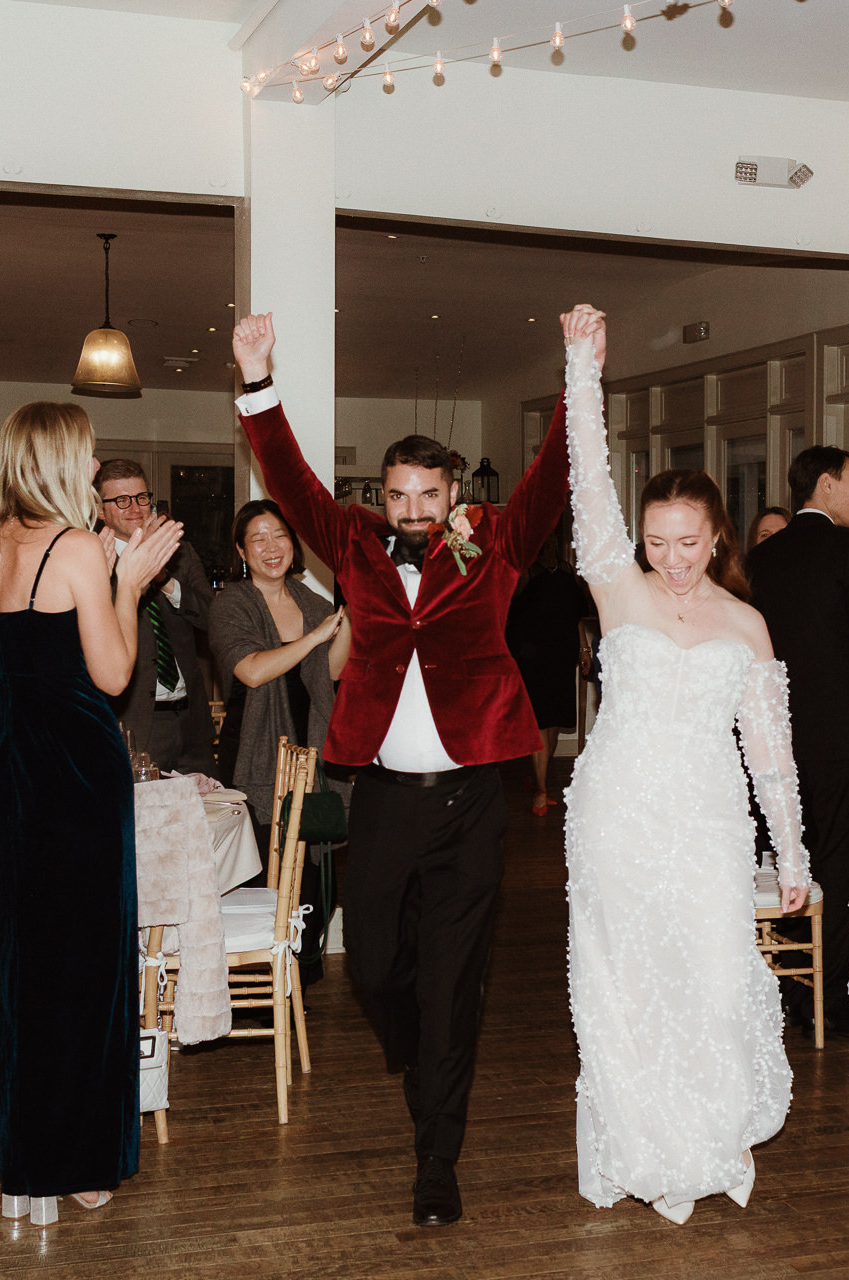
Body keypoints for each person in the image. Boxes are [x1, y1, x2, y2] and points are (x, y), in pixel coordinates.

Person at [231, 308, 570, 1228]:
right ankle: (422, 1056)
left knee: (454, 982)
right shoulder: (350, 541)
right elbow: (291, 480)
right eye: (398, 496)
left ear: (453, 493)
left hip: (470, 803)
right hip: (379, 796)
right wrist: (257, 379)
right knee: (376, 966)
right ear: (380, 497)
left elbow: (551, 479)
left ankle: (437, 1160)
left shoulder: (494, 542)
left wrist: (577, 375)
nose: (413, 511)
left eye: (428, 495)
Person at [557, 306, 807, 1224]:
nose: (670, 559)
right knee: (624, 983)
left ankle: (703, 1137)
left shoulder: (747, 626)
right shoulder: (616, 588)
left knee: (710, 976)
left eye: (688, 543)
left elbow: (771, 757)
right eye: (657, 542)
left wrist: (792, 855)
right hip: (617, 813)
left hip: (707, 819)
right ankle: (635, 1146)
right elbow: (590, 482)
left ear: (717, 538)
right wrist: (583, 369)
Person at [0, 402, 180, 1224]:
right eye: (85, 458)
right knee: (87, 965)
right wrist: (131, 585)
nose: (91, 471)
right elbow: (114, 676)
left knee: (25, 963)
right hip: (78, 772)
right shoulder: (79, 548)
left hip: (10, 769)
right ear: (54, 461)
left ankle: (29, 1156)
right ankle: (80, 1162)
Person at [747, 445, 849, 1037]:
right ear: (825, 485)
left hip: (772, 736)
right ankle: (828, 997)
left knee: (790, 856)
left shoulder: (762, 558)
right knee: (838, 864)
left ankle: (790, 984)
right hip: (837, 734)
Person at [209, 498, 350, 985]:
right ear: (241, 551)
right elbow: (251, 671)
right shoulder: (232, 603)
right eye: (258, 539)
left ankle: (296, 984)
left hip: (310, 758)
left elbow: (331, 672)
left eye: (280, 536)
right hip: (255, 759)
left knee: (314, 882)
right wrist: (314, 638)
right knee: (263, 878)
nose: (271, 547)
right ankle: (259, 989)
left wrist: (350, 615)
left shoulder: (312, 602)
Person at [96, 459, 215, 777]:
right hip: (135, 724)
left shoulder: (180, 552)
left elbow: (212, 619)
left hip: (192, 722)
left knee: (208, 808)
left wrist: (165, 579)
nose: (135, 507)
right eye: (122, 500)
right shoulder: (94, 559)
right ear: (100, 511)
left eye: (141, 497)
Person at [506, 527, 590, 816]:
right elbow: (509, 611)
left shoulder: (566, 571)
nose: (551, 542)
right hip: (533, 659)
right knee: (541, 722)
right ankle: (540, 791)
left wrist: (584, 649)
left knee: (554, 721)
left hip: (561, 657)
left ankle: (538, 777)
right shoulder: (526, 573)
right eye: (546, 539)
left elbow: (577, 616)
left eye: (554, 538)